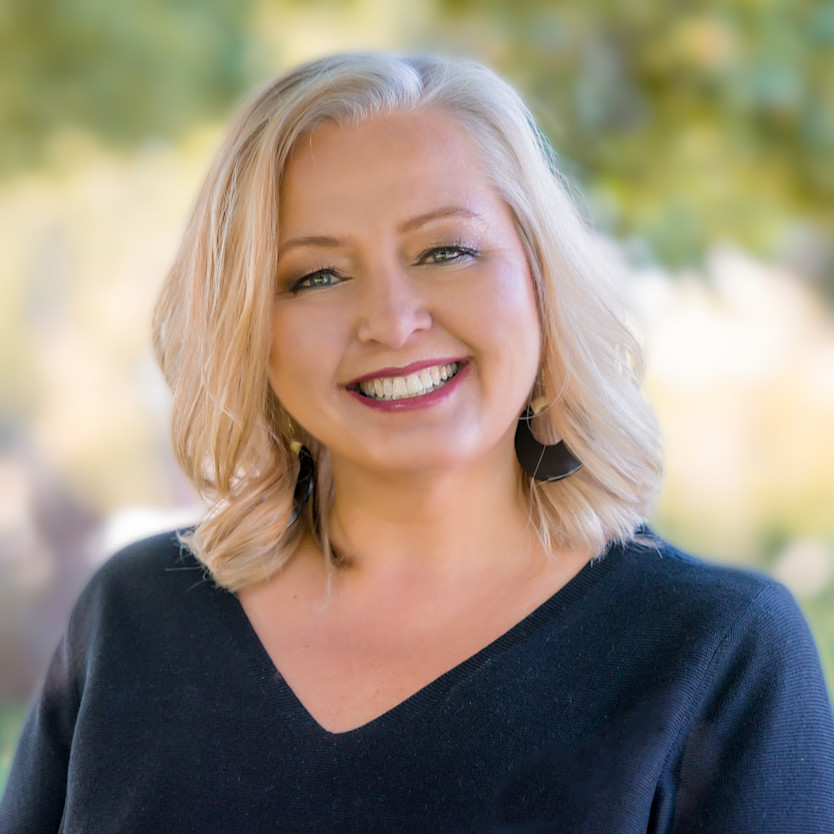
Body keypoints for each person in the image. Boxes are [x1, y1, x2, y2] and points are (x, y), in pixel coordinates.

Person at [2, 53, 833, 833]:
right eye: (317, 275)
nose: (392, 322)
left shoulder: (714, 649)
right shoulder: (134, 619)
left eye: (446, 251)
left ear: (542, 282)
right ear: (251, 328)